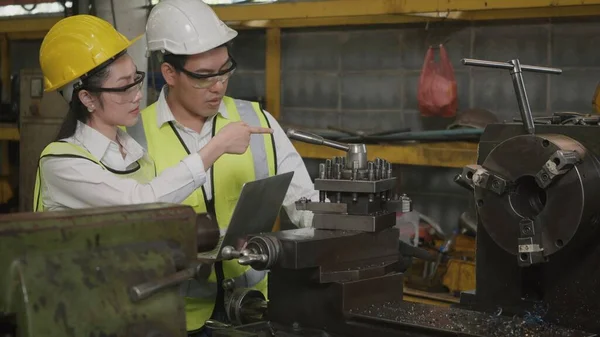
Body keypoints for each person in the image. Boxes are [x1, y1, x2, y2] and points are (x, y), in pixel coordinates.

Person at [127, 0, 320, 334]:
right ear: (170, 73)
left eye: (225, 70)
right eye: (203, 76)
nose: (218, 85)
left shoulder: (257, 121)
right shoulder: (134, 138)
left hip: (250, 309)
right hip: (171, 316)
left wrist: (342, 231)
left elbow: (305, 202)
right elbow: (128, 228)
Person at [33, 14, 271, 212]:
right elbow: (140, 202)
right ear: (87, 98)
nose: (137, 95)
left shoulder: (132, 151)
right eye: (124, 86)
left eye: (136, 79)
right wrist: (216, 147)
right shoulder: (62, 163)